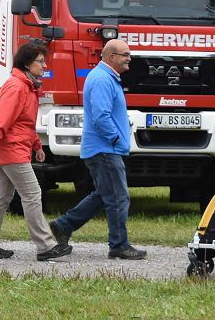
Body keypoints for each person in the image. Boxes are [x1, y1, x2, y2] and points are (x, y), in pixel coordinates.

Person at [49, 39, 147, 260]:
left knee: (104, 195)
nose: (129, 58)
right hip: (105, 149)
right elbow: (101, 115)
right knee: (119, 198)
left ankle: (64, 225)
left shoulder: (106, 77)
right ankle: (119, 245)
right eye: (125, 54)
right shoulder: (103, 79)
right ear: (111, 57)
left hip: (104, 148)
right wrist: (114, 137)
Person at [0, 43, 72, 261]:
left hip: (11, 149)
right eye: (40, 61)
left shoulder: (26, 86)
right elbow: (0, 121)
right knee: (32, 194)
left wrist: (37, 145)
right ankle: (46, 246)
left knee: (1, 198)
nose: (45, 65)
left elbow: (24, 123)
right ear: (28, 63)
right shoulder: (17, 87)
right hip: (10, 151)